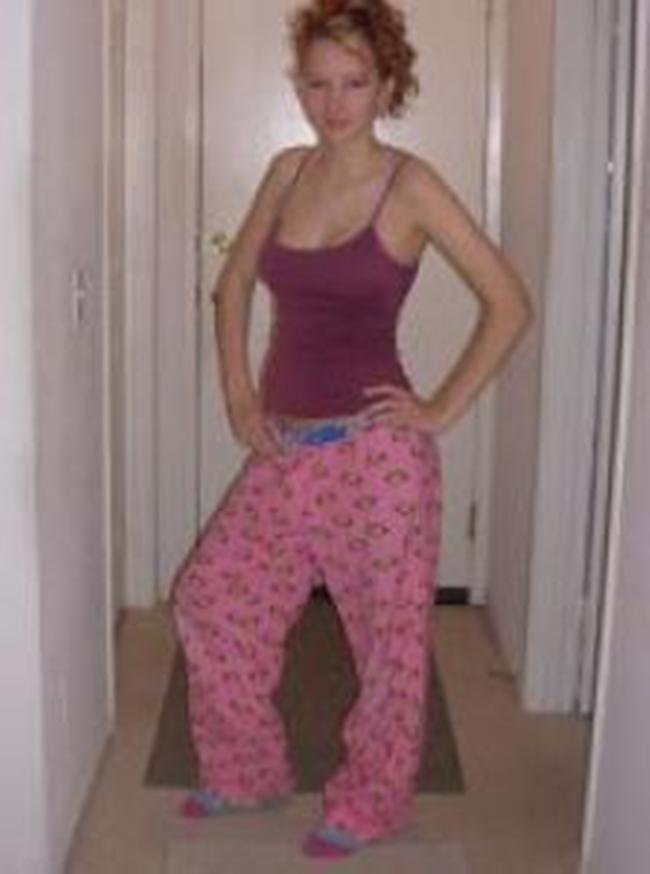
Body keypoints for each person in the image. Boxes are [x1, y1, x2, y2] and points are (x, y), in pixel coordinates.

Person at [173, 0, 531, 861]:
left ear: (386, 84)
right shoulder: (286, 170)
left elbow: (509, 302)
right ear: (298, 86)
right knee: (211, 599)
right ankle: (247, 772)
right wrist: (240, 397)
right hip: (285, 448)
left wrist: (438, 410)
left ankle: (372, 804)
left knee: (388, 648)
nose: (333, 103)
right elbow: (233, 286)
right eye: (317, 83)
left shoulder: (411, 186)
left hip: (377, 462)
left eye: (354, 83)